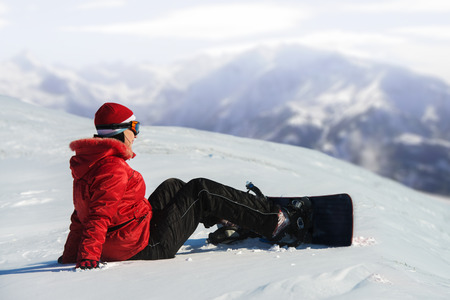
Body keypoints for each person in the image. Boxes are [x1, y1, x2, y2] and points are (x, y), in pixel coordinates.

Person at [58, 102, 310, 270]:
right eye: (134, 127)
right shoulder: (111, 167)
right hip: (144, 246)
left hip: (132, 232)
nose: (137, 134)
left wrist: (69, 255)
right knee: (201, 191)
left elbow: (80, 216)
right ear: (120, 131)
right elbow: (98, 215)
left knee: (173, 186)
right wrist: (87, 258)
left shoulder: (90, 165)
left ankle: (233, 220)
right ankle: (273, 222)